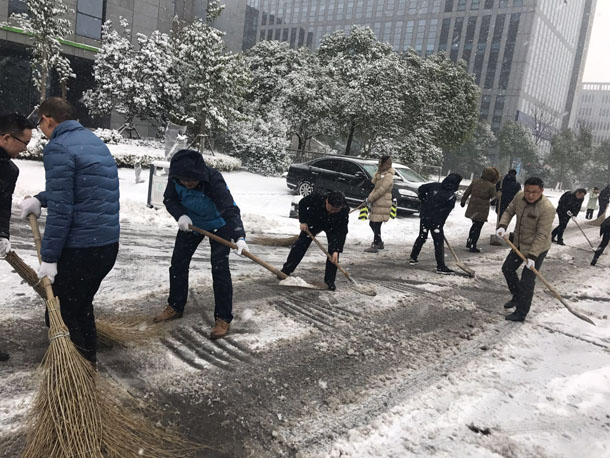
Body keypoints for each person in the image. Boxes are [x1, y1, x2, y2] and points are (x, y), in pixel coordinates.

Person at [19, 97, 120, 365]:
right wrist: (41, 199)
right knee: (81, 305)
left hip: (81, 249)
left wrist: (49, 257)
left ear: (47, 119)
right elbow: (84, 190)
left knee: (61, 312)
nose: (41, 130)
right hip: (106, 246)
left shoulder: (58, 147)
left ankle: (76, 371)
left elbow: (62, 210)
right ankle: (87, 363)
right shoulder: (93, 142)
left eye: (40, 124)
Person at [153, 149, 248, 340]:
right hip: (192, 225)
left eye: (191, 180)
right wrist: (180, 215)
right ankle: (175, 306)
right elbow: (169, 199)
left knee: (219, 269)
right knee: (178, 263)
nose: (187, 184)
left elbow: (229, 209)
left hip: (219, 225)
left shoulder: (213, 180)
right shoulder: (175, 178)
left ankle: (223, 317)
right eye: (183, 180)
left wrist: (239, 236)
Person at [496, 177, 555, 322]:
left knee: (527, 281)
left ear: (541, 191)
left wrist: (533, 256)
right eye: (528, 191)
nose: (530, 195)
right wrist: (502, 225)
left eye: (534, 192)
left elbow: (542, 234)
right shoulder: (519, 196)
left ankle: (521, 312)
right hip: (520, 243)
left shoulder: (547, 208)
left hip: (538, 247)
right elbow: (509, 211)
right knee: (508, 269)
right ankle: (517, 296)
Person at [0, 112, 34, 362]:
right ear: (6, 138)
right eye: (24, 143)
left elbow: (2, 205)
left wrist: (3, 234)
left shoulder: (9, 170)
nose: (26, 149)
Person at [280, 190, 348, 291]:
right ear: (327, 202)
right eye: (331, 208)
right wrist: (303, 221)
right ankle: (285, 271)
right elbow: (302, 203)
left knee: (333, 255)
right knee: (301, 245)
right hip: (314, 220)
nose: (332, 211)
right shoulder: (317, 197)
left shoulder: (343, 208)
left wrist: (336, 250)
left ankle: (329, 282)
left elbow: (342, 231)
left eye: (336, 210)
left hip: (333, 226)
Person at [409, 173, 462, 274]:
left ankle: (413, 257)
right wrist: (440, 224)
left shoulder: (434, 186)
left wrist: (423, 200)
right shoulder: (451, 196)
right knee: (438, 242)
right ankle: (441, 266)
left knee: (422, 236)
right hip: (436, 220)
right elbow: (445, 213)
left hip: (425, 216)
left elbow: (421, 188)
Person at [460, 166, 500, 252]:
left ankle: (470, 241)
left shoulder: (475, 182)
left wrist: (463, 201)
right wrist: (498, 195)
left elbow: (467, 192)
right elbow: (493, 199)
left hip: (472, 207)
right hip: (482, 209)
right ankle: (473, 245)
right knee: (477, 227)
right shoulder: (491, 186)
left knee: (474, 225)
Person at [364, 155, 394, 253]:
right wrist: (370, 198)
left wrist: (371, 198)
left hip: (383, 202)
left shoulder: (388, 176)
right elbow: (375, 188)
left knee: (376, 224)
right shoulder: (381, 174)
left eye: (380, 162)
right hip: (378, 202)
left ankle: (375, 244)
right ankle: (379, 242)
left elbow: (382, 190)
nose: (379, 164)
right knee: (373, 223)